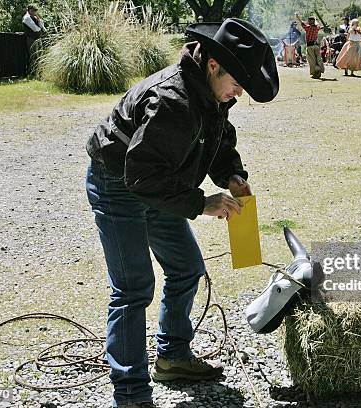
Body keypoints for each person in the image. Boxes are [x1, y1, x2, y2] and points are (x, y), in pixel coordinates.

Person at [85, 18, 279, 408]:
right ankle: (131, 393)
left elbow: (218, 141)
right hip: (119, 185)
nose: (238, 92)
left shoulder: (212, 95)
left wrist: (232, 175)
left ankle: (173, 358)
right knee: (133, 288)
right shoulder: (172, 100)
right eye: (236, 82)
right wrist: (201, 203)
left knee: (187, 268)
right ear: (213, 65)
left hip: (160, 184)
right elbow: (140, 177)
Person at [295, 13, 324, 79]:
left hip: (310, 46)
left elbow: (301, 22)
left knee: (312, 60)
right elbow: (320, 26)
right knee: (318, 59)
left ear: (309, 21)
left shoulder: (308, 27)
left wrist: (297, 17)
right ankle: (319, 70)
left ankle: (315, 73)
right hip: (316, 46)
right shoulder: (317, 27)